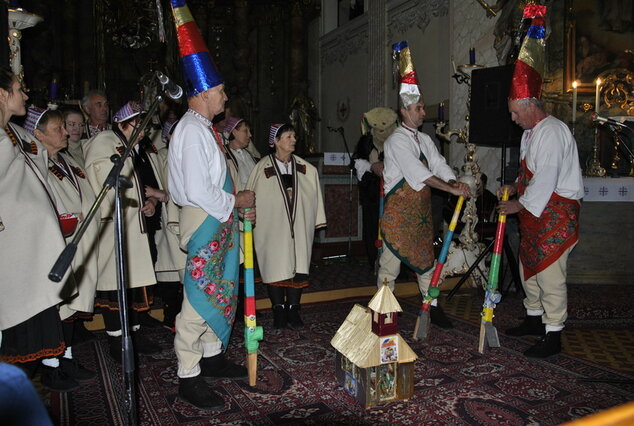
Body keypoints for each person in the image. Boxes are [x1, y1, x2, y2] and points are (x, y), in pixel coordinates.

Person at [167, 0, 256, 410]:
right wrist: (236, 200)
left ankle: (211, 357)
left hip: (217, 219)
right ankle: (188, 376)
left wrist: (235, 206)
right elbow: (199, 189)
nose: (225, 96)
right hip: (204, 220)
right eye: (219, 91)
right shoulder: (189, 130)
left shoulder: (205, 129)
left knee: (218, 290)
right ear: (202, 93)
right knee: (198, 299)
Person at [498, 7, 583, 358]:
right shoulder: (531, 133)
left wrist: (518, 203)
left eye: (516, 112)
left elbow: (546, 179)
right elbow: (529, 176)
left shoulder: (551, 133)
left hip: (556, 212)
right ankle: (534, 317)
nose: (514, 119)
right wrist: (515, 189)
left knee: (549, 273)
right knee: (527, 267)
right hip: (537, 212)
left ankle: (554, 333)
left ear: (530, 104)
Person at [378, 41, 471, 328]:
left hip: (418, 215)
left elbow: (438, 163)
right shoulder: (396, 141)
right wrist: (451, 190)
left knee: (427, 263)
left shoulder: (425, 139)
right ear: (405, 111)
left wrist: (453, 179)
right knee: (389, 268)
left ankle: (431, 305)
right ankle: (384, 314)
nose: (423, 111)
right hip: (398, 215)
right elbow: (418, 172)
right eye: (418, 108)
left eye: (421, 107)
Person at [0, 66, 70, 391]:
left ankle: (31, 384)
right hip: (11, 246)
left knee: (36, 317)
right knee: (14, 322)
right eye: (19, 88)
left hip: (32, 245)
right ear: (2, 94)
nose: (25, 95)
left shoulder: (16, 132)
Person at [83, 101, 161, 362]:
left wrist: (148, 201)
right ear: (121, 124)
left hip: (133, 226)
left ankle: (133, 337)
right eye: (137, 125)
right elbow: (102, 183)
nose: (143, 131)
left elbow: (138, 185)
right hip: (113, 227)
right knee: (115, 286)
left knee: (132, 285)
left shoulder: (132, 146)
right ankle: (117, 341)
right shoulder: (104, 142)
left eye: (144, 125)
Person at [26, 107, 99, 388]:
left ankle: (65, 357)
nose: (66, 132)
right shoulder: (34, 164)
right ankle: (51, 367)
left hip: (75, 242)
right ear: (38, 134)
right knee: (56, 307)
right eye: (58, 128)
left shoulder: (63, 161)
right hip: (53, 245)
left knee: (70, 306)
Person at [246, 124, 326, 329]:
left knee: (298, 265)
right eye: (288, 136)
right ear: (276, 141)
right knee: (275, 266)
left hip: (299, 227)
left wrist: (314, 216)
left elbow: (314, 194)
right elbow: (251, 196)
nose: (293, 140)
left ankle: (294, 309)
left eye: (294, 136)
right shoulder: (261, 168)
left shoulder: (306, 168)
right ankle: (278, 310)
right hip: (271, 228)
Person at [224, 117, 258, 191]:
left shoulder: (249, 154)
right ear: (234, 132)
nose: (250, 135)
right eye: (246, 131)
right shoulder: (224, 155)